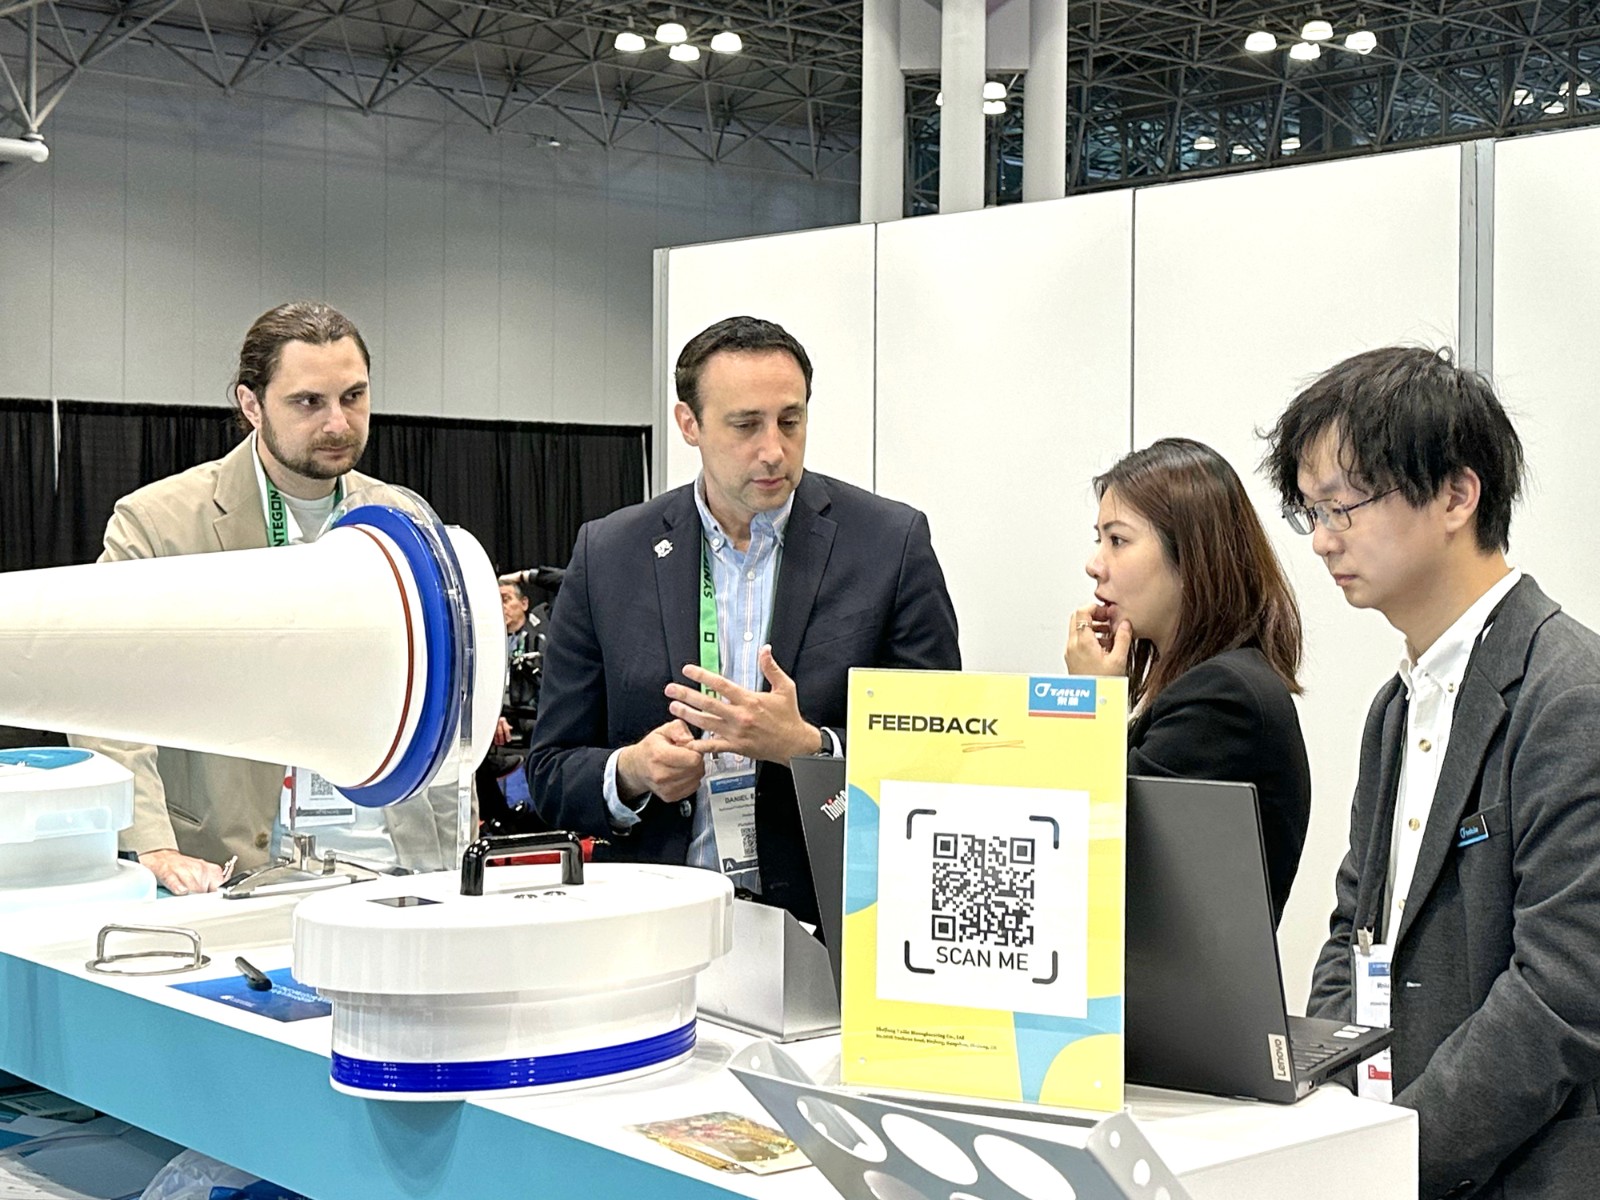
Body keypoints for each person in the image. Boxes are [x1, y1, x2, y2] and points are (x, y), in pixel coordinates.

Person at [1263, 346, 1600, 1198]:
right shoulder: (1396, 706)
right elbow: (1353, 930)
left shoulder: (1569, 694)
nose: (1324, 540)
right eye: (1312, 513)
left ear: (1456, 495)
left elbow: (1562, 995)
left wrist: (1395, 1159)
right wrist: (1329, 1110)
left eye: (1344, 506)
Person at [527, 315, 961, 926]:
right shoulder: (610, 554)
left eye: (790, 421)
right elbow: (549, 771)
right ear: (690, 424)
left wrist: (810, 748)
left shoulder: (889, 544)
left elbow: (942, 752)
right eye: (746, 425)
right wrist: (632, 771)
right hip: (654, 923)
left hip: (829, 923)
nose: (774, 450)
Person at [73, 302, 379, 895]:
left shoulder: (401, 520)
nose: (338, 423)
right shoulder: (158, 524)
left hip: (383, 858)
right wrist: (152, 843)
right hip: (231, 865)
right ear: (251, 405)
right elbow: (98, 689)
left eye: (353, 397)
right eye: (308, 402)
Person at [1064, 437, 1310, 925]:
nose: (1095, 565)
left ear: (1191, 558)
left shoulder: (1224, 698)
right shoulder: (1205, 685)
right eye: (1099, 540)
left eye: (1118, 541)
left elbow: (1102, 848)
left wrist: (1094, 702)